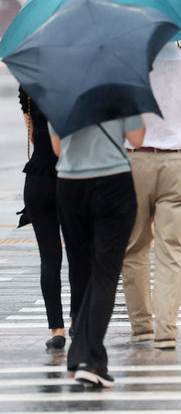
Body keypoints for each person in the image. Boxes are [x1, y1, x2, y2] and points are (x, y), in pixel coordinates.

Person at [122, 42, 181, 350]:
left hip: (137, 160)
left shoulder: (133, 63)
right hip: (178, 159)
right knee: (171, 248)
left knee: (135, 245)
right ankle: (166, 329)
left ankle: (142, 326)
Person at [51, 116, 145, 388]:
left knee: (81, 269)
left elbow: (57, 147)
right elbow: (137, 139)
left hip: (69, 183)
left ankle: (83, 354)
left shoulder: (58, 89)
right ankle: (90, 361)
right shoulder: (118, 86)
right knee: (105, 273)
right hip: (113, 182)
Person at [18, 87, 65, 349]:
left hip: (37, 178)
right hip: (71, 179)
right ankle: (77, 320)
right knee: (80, 257)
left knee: (49, 258)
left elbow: (34, 137)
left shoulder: (29, 85)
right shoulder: (73, 83)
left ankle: (57, 328)